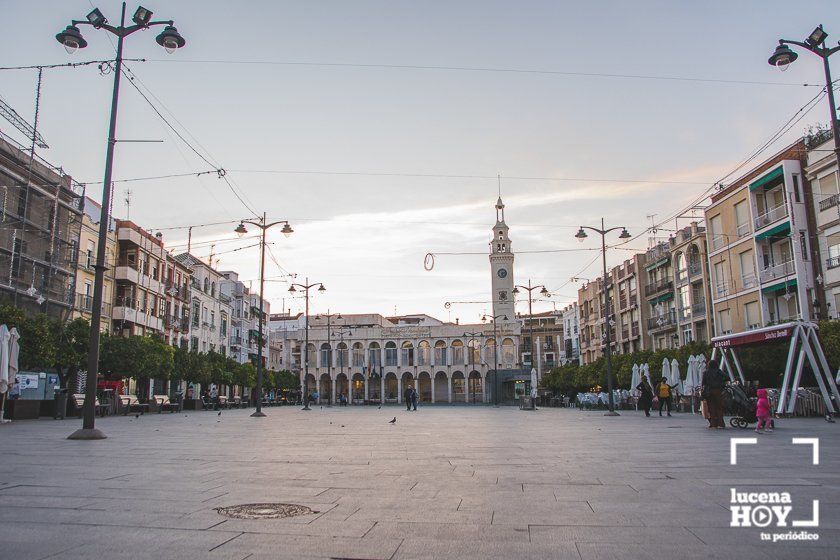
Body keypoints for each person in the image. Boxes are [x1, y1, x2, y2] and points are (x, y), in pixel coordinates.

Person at [702, 359, 727, 429]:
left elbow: (703, 383)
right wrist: (721, 382)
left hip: (709, 391)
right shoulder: (719, 371)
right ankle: (721, 423)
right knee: (719, 407)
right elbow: (727, 377)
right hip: (718, 390)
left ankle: (713, 423)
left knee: (711, 408)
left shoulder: (705, 372)